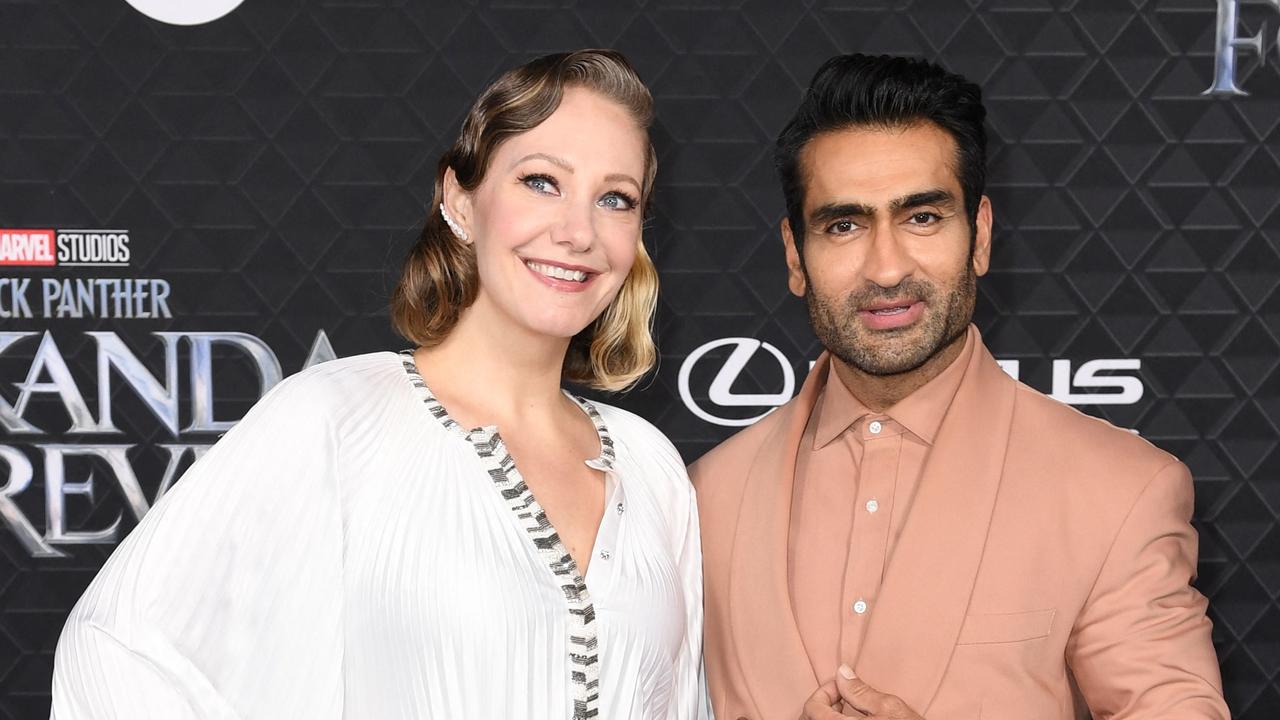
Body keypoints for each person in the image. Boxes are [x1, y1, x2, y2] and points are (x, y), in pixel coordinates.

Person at [52, 49, 707, 720]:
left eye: (615, 199)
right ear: (460, 200)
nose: (577, 231)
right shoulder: (335, 421)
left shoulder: (650, 466)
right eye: (542, 181)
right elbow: (116, 652)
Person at [690, 53, 1229, 720]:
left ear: (979, 237)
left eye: (922, 218)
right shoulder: (699, 497)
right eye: (844, 225)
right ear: (795, 256)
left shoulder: (1120, 489)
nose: (886, 269)